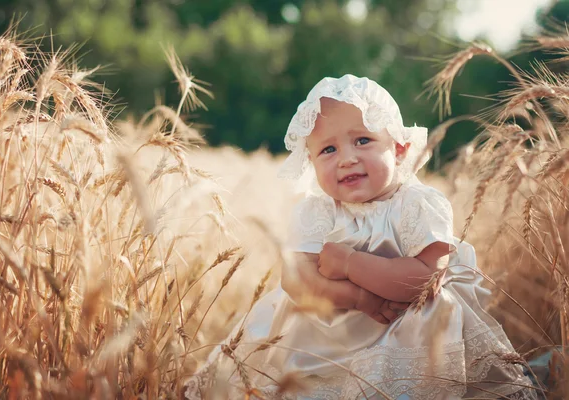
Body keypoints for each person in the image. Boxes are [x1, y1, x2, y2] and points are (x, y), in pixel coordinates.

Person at [184, 75, 537, 399]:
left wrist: (352, 263)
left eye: (363, 140)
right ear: (310, 160)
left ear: (399, 148)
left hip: (410, 334)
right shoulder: (317, 212)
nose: (346, 159)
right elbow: (296, 277)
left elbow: (427, 278)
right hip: (323, 338)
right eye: (328, 150)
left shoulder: (419, 205)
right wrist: (356, 298)